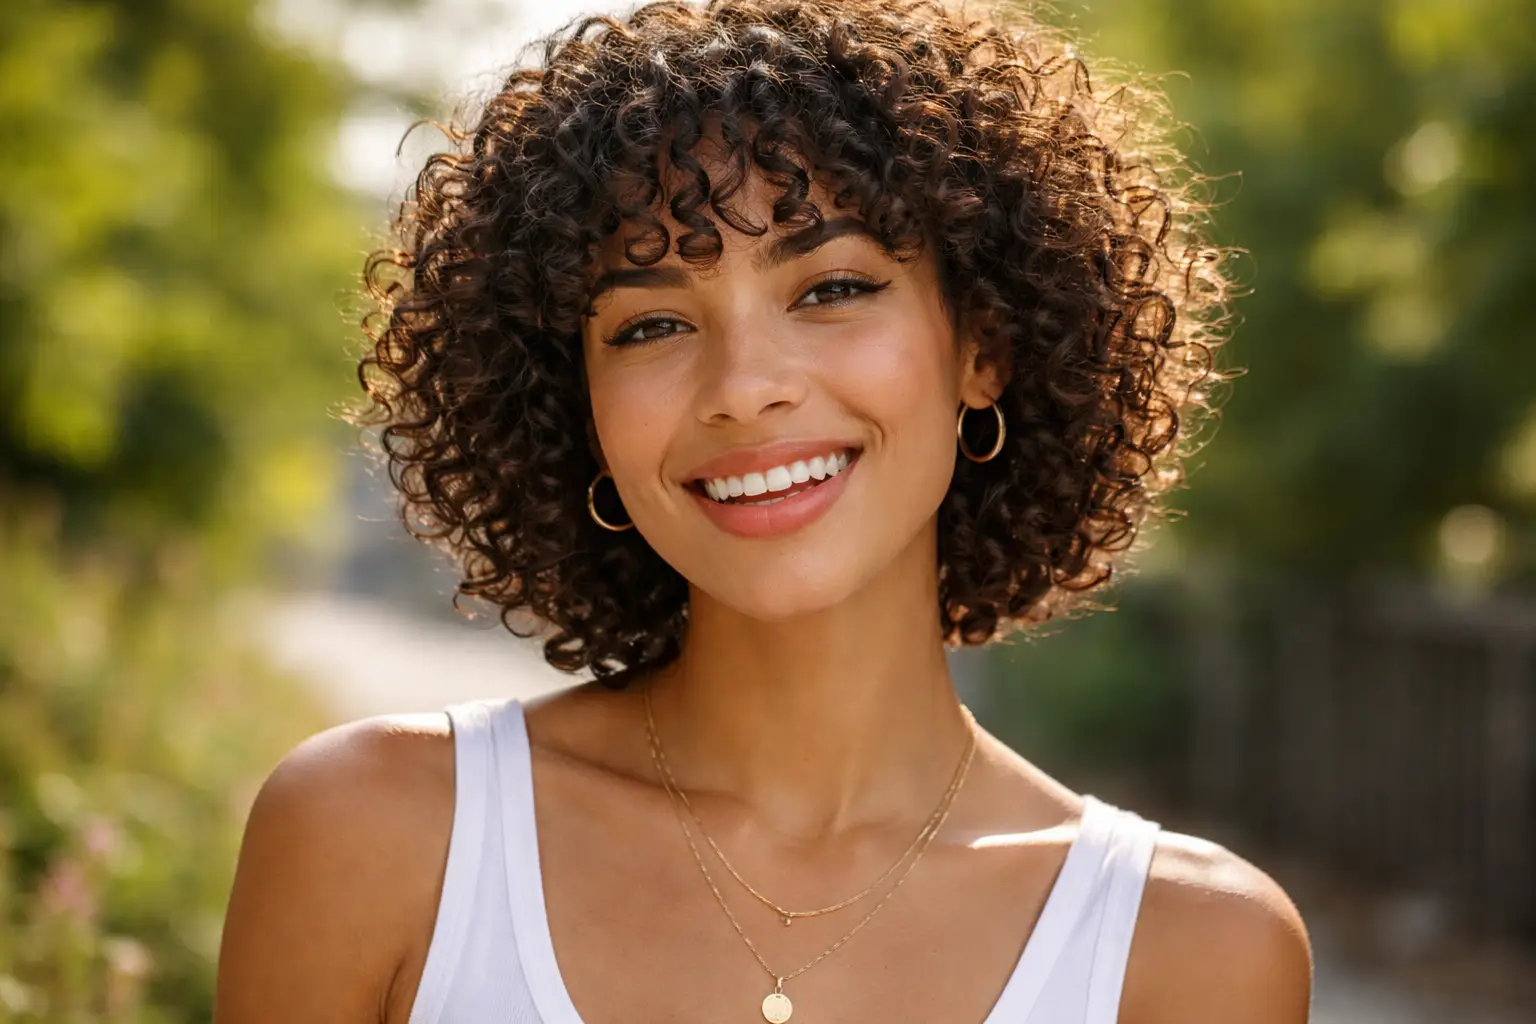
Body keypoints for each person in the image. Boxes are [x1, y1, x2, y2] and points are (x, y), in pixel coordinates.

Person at [215, 0, 1312, 1020]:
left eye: (832, 289)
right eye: (650, 326)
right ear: (576, 407)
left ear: (985, 344)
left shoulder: (1194, 953)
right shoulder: (377, 833)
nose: (745, 385)